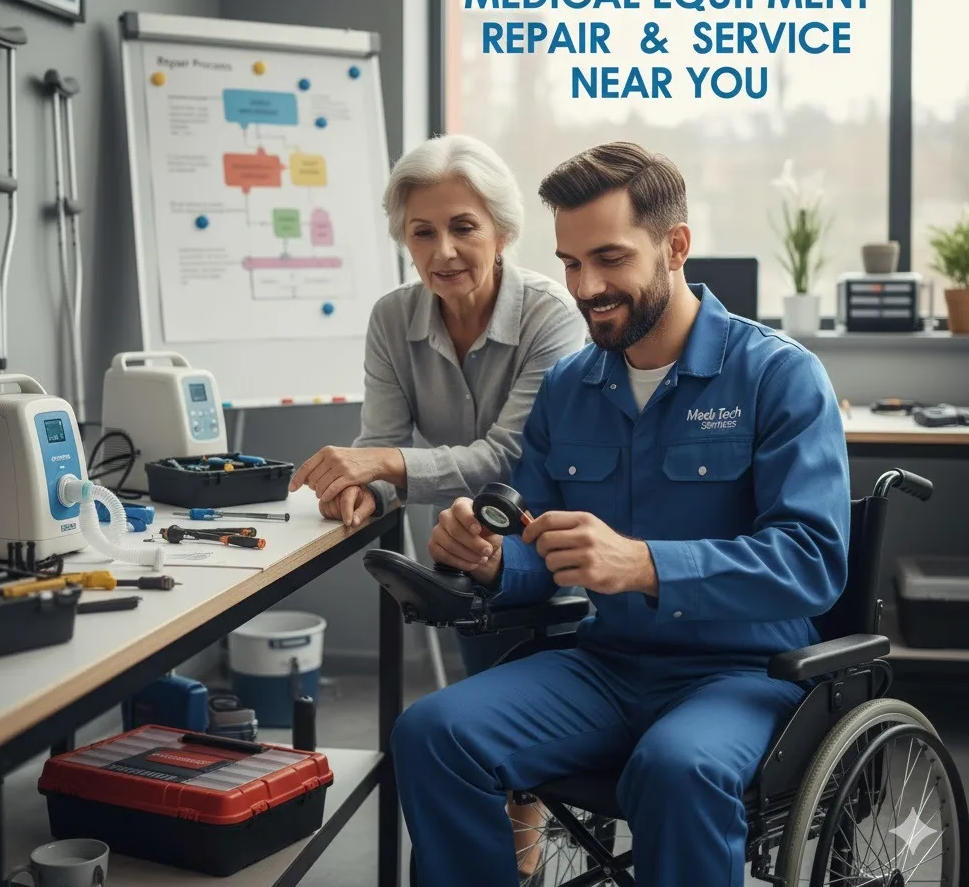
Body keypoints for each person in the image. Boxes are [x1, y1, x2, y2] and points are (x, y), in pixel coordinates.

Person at [390, 141, 851, 887]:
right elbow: (540, 550)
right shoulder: (570, 386)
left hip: (742, 675)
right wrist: (489, 558)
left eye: (608, 259)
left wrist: (642, 563)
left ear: (675, 247)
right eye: (571, 263)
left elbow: (812, 562)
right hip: (605, 667)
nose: (586, 287)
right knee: (433, 732)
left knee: (677, 767)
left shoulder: (779, 376)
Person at [288, 131, 586, 677]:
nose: (442, 251)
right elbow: (381, 441)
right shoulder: (392, 318)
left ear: (502, 232)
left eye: (463, 227)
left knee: (537, 716)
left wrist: (381, 466)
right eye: (422, 233)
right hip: (459, 549)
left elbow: (506, 459)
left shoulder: (553, 316)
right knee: (480, 711)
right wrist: (359, 490)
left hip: (544, 547)